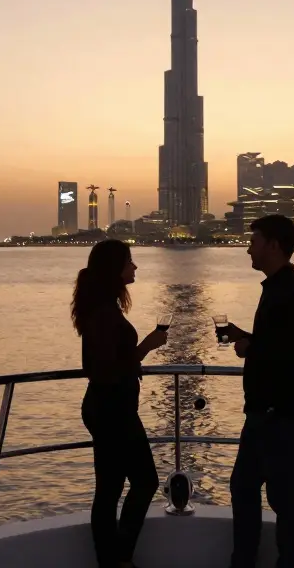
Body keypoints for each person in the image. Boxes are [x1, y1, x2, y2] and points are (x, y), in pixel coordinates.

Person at [220, 215, 294, 568]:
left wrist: (249, 347)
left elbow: (286, 356)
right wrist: (245, 337)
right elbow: (280, 345)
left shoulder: (288, 292)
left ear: (273, 245)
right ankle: (245, 560)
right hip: (267, 410)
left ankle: (284, 563)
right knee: (246, 489)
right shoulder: (282, 289)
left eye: (255, 241)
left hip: (279, 412)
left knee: (280, 495)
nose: (249, 248)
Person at [72, 239, 167, 568]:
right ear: (115, 268)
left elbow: (107, 364)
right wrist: (147, 346)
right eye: (129, 261)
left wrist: (139, 352)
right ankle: (118, 558)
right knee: (145, 482)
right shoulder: (103, 313)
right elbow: (105, 369)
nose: (135, 266)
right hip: (113, 409)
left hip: (107, 407)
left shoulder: (103, 307)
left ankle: (111, 560)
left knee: (110, 489)